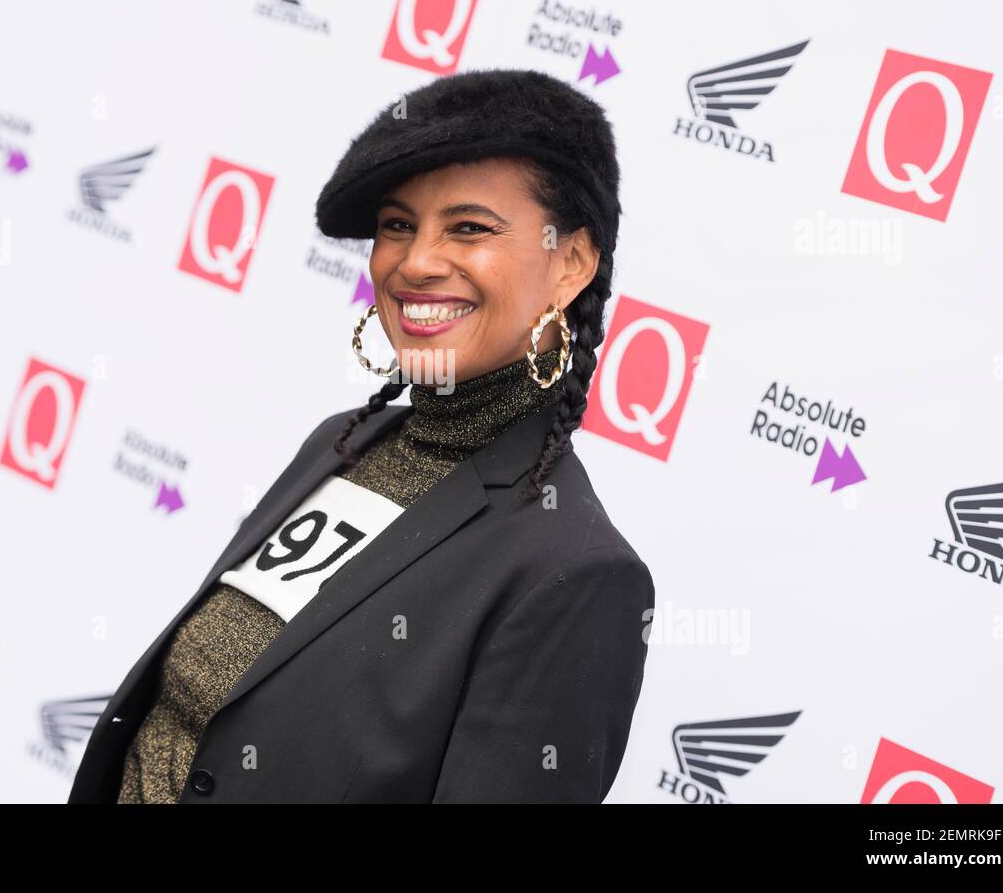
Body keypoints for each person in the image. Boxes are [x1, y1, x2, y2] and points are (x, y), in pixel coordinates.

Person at [68, 67, 655, 803]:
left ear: (571, 263)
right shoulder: (342, 445)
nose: (415, 263)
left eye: (469, 228)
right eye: (397, 226)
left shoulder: (575, 571)